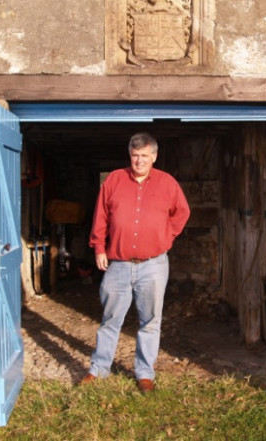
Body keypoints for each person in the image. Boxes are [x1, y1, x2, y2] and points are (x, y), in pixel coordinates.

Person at [81, 132, 190, 393]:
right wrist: (99, 247)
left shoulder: (167, 183)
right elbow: (101, 215)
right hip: (118, 264)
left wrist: (166, 236)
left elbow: (182, 212)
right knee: (110, 319)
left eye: (144, 155)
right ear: (129, 156)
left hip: (153, 264)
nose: (139, 160)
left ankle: (144, 373)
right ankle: (99, 368)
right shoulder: (114, 180)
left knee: (150, 321)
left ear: (154, 156)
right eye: (134, 155)